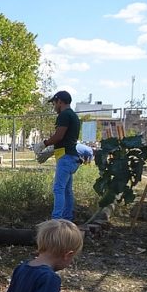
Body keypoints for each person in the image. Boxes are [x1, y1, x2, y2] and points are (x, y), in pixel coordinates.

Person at [42, 90, 81, 220]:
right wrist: (52, 150)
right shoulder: (73, 115)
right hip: (71, 158)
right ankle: (67, 219)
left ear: (60, 101)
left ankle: (56, 220)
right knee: (67, 191)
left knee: (58, 189)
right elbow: (66, 140)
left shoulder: (64, 115)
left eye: (54, 103)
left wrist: (45, 144)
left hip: (66, 158)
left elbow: (59, 136)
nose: (54, 106)